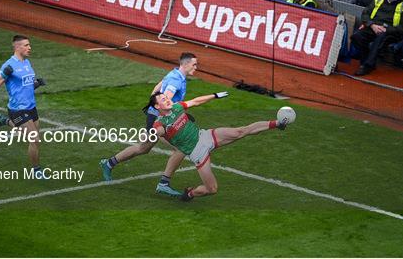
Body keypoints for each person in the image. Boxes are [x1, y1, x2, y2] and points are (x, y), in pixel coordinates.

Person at [144, 91, 289, 201]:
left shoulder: (177, 107)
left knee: (240, 131)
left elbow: (195, 101)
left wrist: (214, 95)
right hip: (197, 153)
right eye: (163, 99)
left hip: (205, 136)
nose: (167, 100)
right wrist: (153, 133)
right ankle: (190, 193)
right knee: (212, 189)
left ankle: (277, 124)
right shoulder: (160, 123)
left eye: (166, 97)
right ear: (157, 106)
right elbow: (156, 132)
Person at [100, 53, 199, 196]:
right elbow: (166, 102)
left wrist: (152, 108)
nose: (196, 67)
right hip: (160, 119)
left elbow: (156, 89)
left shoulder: (175, 74)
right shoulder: (176, 81)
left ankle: (108, 163)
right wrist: (177, 114)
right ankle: (164, 184)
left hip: (155, 116)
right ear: (185, 64)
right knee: (181, 148)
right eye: (194, 64)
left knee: (143, 148)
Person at [0, 35, 47, 178]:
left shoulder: (27, 63)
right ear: (17, 47)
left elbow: (25, 87)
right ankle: (36, 171)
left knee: (30, 137)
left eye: (29, 45)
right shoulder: (9, 65)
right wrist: (4, 74)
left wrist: (36, 84)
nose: (30, 48)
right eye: (26, 45)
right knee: (34, 139)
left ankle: (4, 121)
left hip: (31, 107)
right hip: (18, 109)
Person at [351, 0, 403, 76]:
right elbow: (365, 13)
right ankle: (367, 61)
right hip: (373, 27)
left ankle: (367, 65)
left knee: (379, 39)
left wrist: (387, 29)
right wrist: (371, 24)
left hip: (390, 32)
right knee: (356, 36)